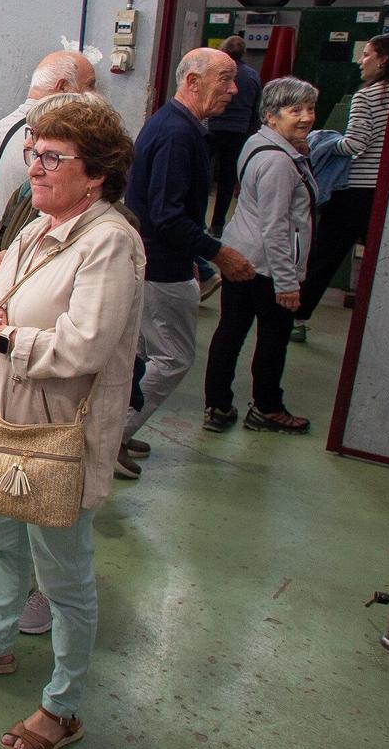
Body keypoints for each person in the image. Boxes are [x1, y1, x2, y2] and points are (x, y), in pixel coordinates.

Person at [0, 98, 144, 749]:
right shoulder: (37, 229)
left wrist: (4, 336)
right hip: (5, 418)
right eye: (33, 152)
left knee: (65, 572)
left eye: (53, 157)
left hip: (56, 434)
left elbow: (82, 347)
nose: (36, 166)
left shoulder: (110, 241)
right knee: (0, 535)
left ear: (96, 173)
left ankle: (63, 703)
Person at [119, 48, 255, 477]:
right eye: (225, 79)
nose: (234, 90)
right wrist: (217, 253)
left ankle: (116, 429)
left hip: (161, 260)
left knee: (139, 355)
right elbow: (167, 215)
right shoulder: (178, 134)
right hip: (160, 266)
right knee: (173, 357)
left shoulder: (178, 126)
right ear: (192, 82)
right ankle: (112, 436)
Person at [202, 77, 321, 434]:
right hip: (267, 266)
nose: (306, 118)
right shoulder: (278, 163)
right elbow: (275, 227)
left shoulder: (260, 143)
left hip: (244, 253)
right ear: (271, 116)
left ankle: (218, 406)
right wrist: (287, 283)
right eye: (294, 110)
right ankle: (267, 409)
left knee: (231, 331)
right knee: (272, 338)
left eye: (310, 109)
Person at [293, 31, 389, 339]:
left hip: (354, 190)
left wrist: (322, 142)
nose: (360, 61)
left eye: (367, 54)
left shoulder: (368, 96)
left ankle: (297, 319)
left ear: (383, 60)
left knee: (324, 257)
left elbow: (356, 143)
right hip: (386, 190)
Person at [0, 49, 98, 245]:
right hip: (15, 245)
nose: (94, 95)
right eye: (90, 86)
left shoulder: (0, 128)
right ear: (63, 87)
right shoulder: (53, 138)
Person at [206, 35, 263, 236]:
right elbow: (257, 108)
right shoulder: (252, 76)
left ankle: (198, 219)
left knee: (204, 173)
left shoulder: (217, 74)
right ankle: (218, 224)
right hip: (239, 132)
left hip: (213, 128)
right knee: (227, 179)